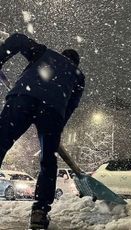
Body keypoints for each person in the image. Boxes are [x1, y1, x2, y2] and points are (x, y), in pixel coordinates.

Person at [0, 33, 85, 229]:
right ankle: (40, 211)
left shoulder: (44, 53)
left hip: (23, 99)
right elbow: (71, 105)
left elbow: (18, 39)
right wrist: (56, 130)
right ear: (76, 63)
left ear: (62, 55)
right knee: (48, 161)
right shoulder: (78, 76)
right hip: (53, 112)